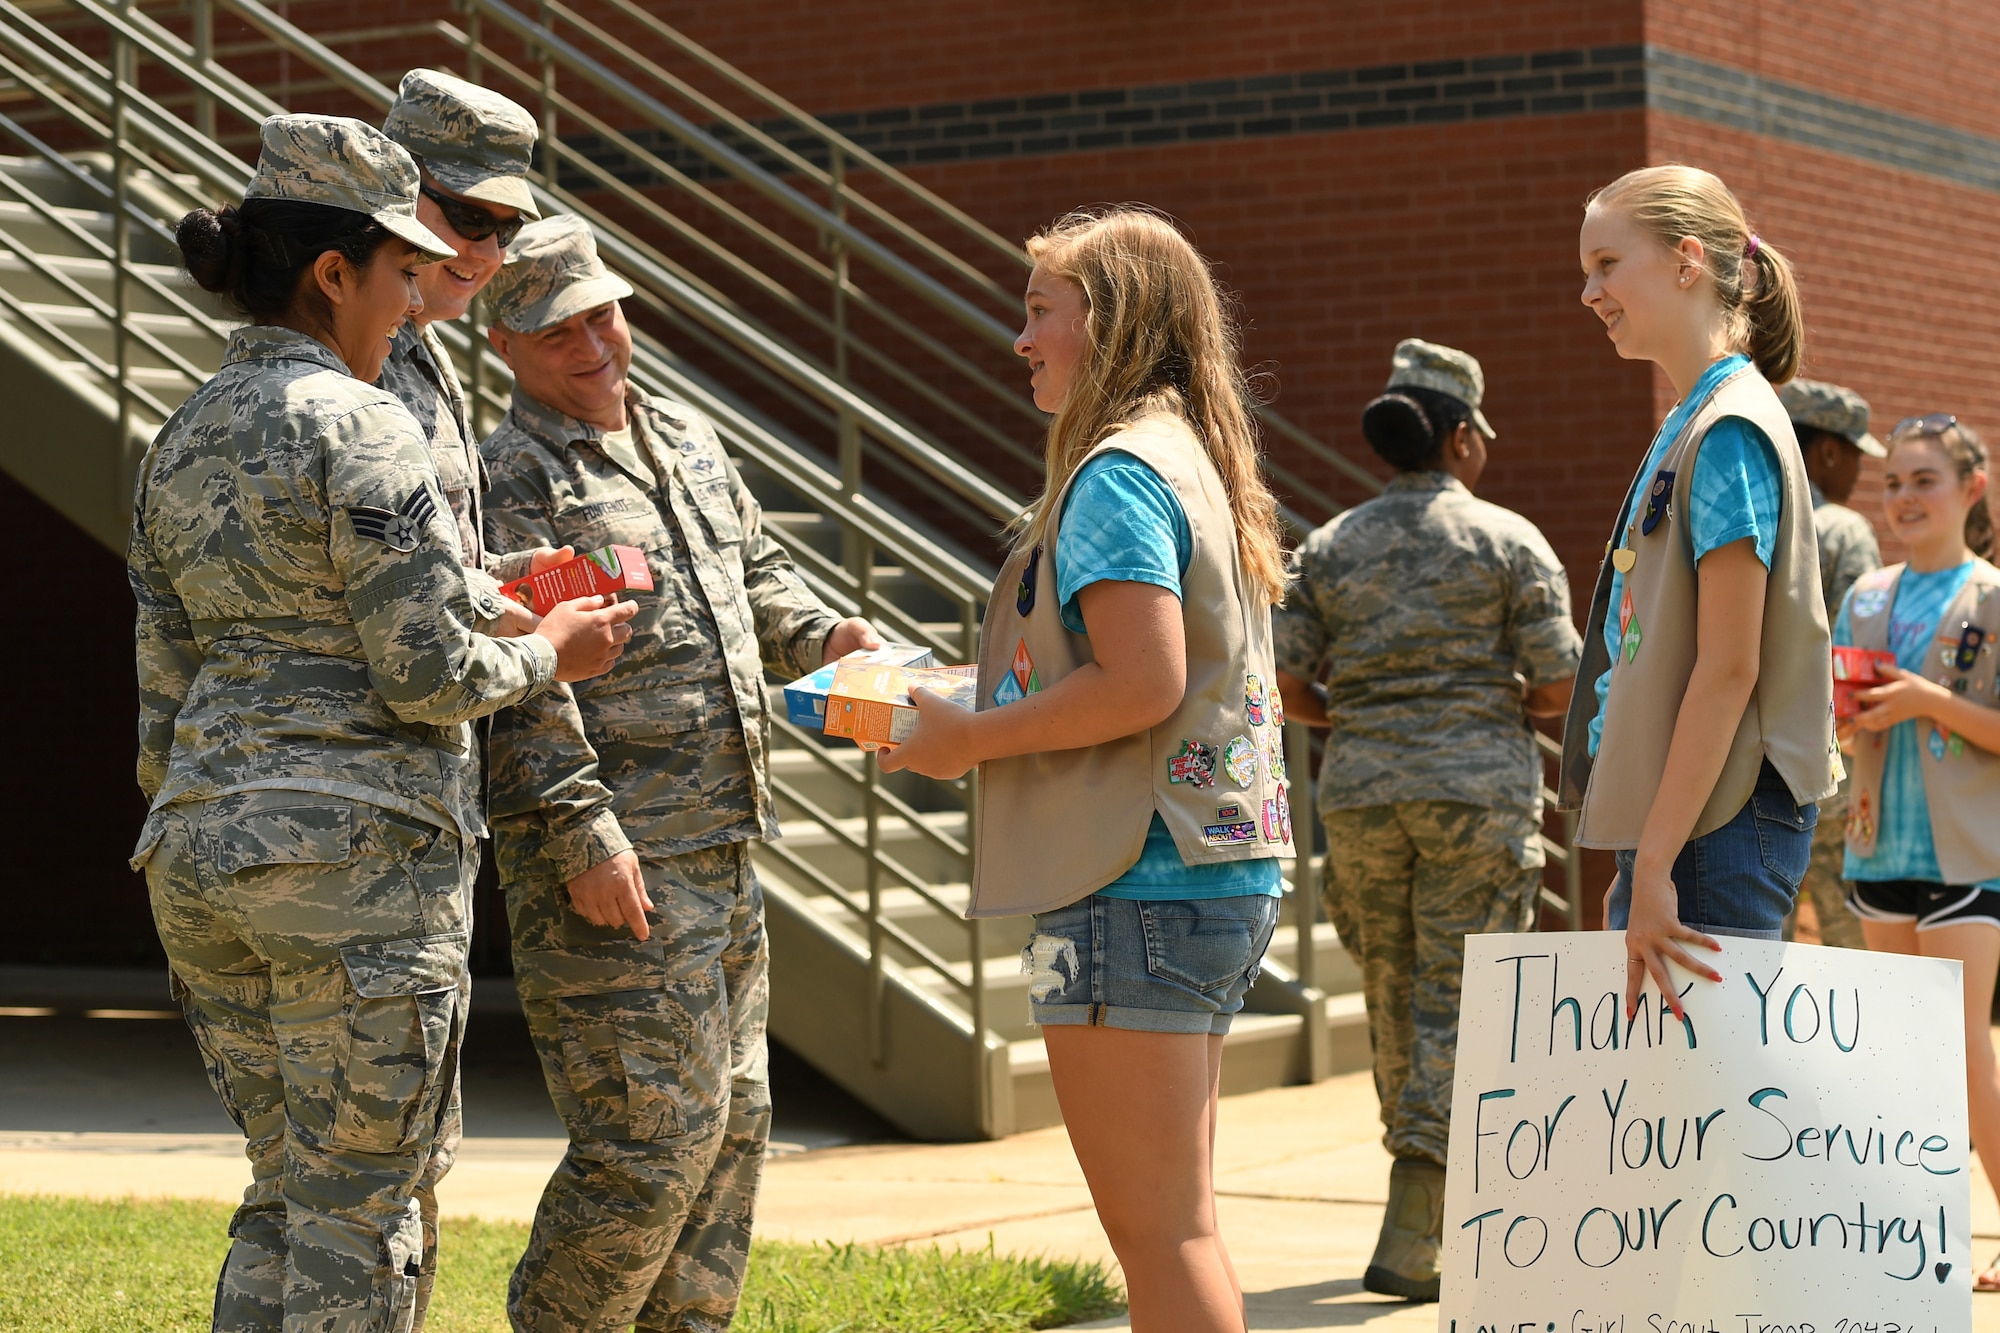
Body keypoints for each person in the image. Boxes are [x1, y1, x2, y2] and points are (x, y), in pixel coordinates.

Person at [129, 116, 635, 1333]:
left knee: (289, 1194)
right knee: (369, 1206)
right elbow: (427, 675)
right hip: (353, 861)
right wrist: (550, 647)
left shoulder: (181, 434)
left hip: (199, 852)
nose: (415, 304)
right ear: (332, 272)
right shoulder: (366, 423)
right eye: (404, 273)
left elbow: (162, 695)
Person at [878, 208, 1291, 1333]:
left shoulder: (1115, 472)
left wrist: (965, 739)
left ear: (1105, 326)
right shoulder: (1189, 455)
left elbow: (1139, 683)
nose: (1019, 338)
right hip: (1204, 870)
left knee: (1160, 1240)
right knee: (1184, 1229)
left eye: (1037, 311)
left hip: (1134, 882)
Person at [477, 214, 880, 1333]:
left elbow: (758, 577)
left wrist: (830, 639)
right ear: (506, 341)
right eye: (558, 325)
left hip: (724, 843)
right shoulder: (504, 476)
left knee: (736, 1121)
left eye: (603, 311)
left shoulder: (687, 439)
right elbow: (518, 682)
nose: (592, 340)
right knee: (647, 1141)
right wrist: (579, 836)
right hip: (619, 861)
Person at [1271, 339, 1581, 1302]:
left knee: (1397, 998)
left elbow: (1282, 683)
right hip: (1476, 797)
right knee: (1467, 1003)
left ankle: (1427, 1208)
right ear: (1458, 437)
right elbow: (1561, 685)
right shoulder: (1507, 539)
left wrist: (1358, 714)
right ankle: (1422, 1224)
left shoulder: (1330, 544)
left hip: (1360, 795)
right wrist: (1494, 705)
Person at [1561, 164, 1838, 1019]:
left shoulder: (1726, 429)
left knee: (1718, 1129)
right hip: (1690, 824)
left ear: (1687, 261)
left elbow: (1728, 668)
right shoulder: (1696, 418)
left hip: (1716, 825)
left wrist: (1654, 863)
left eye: (1607, 264)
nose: (1588, 292)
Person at [377, 66, 545, 1318]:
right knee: (360, 1192)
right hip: (362, 811)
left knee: (393, 1179)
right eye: (463, 217)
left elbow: (409, 566)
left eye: (505, 227)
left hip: (415, 807)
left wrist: (498, 577)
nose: (485, 249)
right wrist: (537, 641)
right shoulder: (359, 360)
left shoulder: (420, 356)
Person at [1831, 415, 2000, 1288]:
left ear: (1972, 489)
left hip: (1970, 856)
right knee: (1901, 1053)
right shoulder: (1864, 595)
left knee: (1963, 1043)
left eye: (1922, 480)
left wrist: (1929, 699)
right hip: (1875, 847)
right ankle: (1916, 1233)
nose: (1902, 498)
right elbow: (1839, 709)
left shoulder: (1993, 595)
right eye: (1892, 483)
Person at [1778, 377, 1884, 950]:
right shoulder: (1845, 529)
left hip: (1755, 772)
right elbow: (1859, 659)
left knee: (1764, 957)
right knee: (1857, 959)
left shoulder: (1754, 518)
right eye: (1855, 456)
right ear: (1826, 451)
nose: (1859, 473)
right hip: (1830, 766)